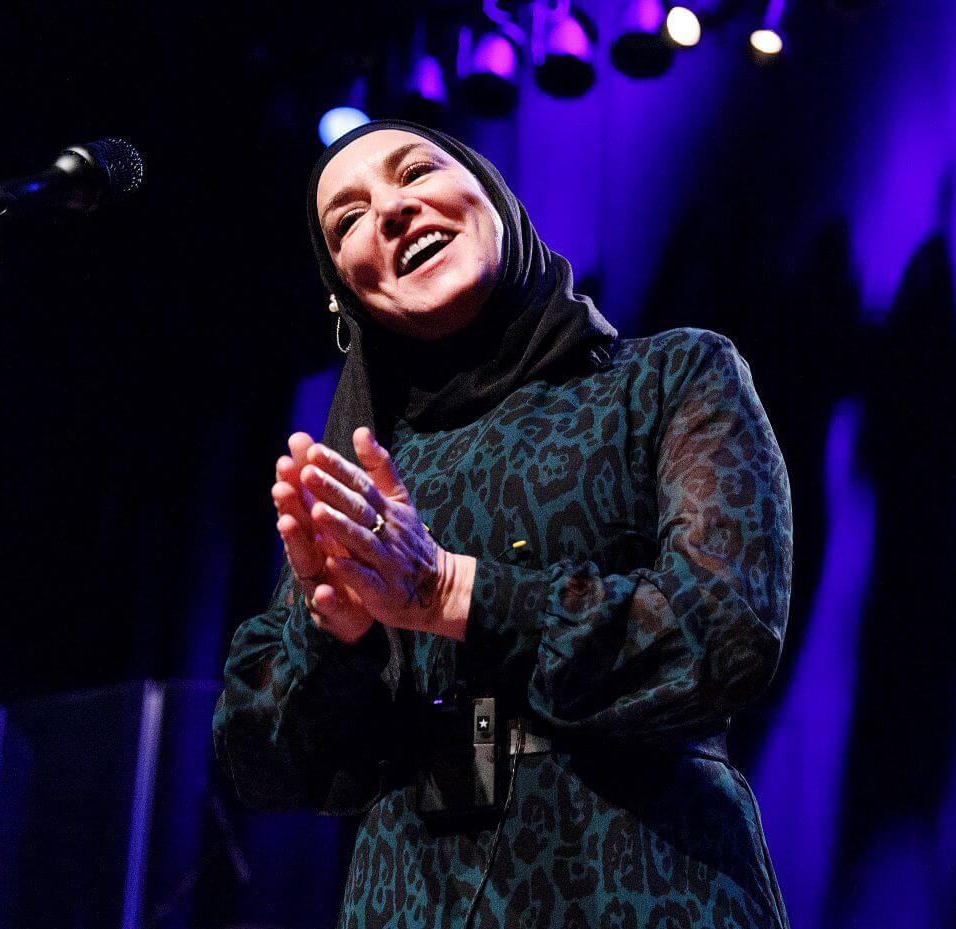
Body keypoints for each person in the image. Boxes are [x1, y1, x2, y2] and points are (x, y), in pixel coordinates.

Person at [213, 119, 793, 929]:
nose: (389, 210)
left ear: (494, 195)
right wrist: (332, 633)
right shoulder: (363, 475)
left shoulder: (671, 376)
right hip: (413, 902)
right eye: (347, 219)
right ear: (346, 294)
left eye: (415, 170)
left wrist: (451, 591)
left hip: (644, 883)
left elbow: (725, 630)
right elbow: (262, 765)